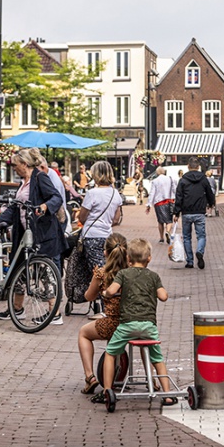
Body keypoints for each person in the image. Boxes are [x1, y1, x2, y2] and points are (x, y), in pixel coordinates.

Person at [101, 238, 176, 406]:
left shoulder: (123, 274)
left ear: (128, 258)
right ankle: (168, 394)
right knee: (157, 359)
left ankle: (108, 390)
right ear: (149, 258)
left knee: (110, 353)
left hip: (127, 325)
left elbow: (112, 291)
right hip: (149, 326)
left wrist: (106, 293)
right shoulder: (154, 276)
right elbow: (163, 296)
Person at [0, 148, 67, 323]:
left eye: (15, 165)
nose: (13, 168)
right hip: (25, 234)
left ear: (24, 164)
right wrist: (0, 222)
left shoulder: (39, 177)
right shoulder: (24, 181)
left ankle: (54, 313)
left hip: (42, 233)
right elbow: (16, 206)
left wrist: (44, 207)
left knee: (44, 271)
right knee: (20, 269)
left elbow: (56, 197)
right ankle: (17, 309)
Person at [77, 233, 128, 395]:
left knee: (84, 333)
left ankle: (90, 376)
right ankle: (152, 379)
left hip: (112, 323)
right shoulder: (131, 272)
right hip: (131, 322)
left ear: (105, 252)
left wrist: (96, 281)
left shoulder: (102, 273)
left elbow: (88, 296)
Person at [78, 161, 123, 274]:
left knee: (96, 272)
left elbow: (82, 217)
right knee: (106, 268)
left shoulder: (92, 193)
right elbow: (117, 219)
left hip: (91, 235)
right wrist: (106, 223)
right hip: (107, 236)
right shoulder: (115, 193)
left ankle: (97, 290)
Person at [173, 157, 216, 269]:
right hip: (200, 212)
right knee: (201, 236)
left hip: (186, 212)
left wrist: (176, 212)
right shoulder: (203, 179)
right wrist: (211, 204)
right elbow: (209, 193)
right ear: (198, 167)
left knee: (187, 237)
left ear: (188, 166)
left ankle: (190, 261)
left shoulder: (182, 180)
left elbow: (179, 197)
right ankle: (200, 252)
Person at [145, 166, 176, 244]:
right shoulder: (171, 179)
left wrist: (149, 204)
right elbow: (175, 190)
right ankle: (168, 232)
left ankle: (161, 238)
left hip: (159, 202)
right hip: (169, 201)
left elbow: (152, 193)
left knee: (160, 221)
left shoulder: (155, 181)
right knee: (169, 220)